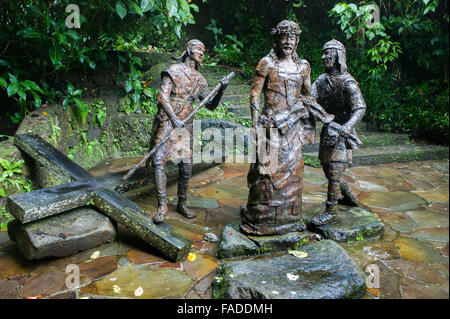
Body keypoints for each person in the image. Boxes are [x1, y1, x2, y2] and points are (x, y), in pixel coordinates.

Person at [240, 20, 334, 236]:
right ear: (276, 39)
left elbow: (307, 96)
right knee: (265, 172)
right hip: (270, 125)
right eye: (284, 38)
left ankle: (290, 219)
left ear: (297, 41)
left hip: (293, 128)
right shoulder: (267, 63)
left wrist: (313, 117)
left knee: (294, 172)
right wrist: (255, 122)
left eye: (292, 39)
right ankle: (259, 220)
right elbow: (255, 93)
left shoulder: (304, 67)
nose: (288, 42)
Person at [149, 39, 229, 223]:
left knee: (186, 166)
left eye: (204, 50)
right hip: (168, 120)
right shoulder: (173, 70)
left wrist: (221, 90)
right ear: (188, 50)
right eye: (198, 49)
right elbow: (162, 97)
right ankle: (162, 205)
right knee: (158, 159)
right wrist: (173, 118)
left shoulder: (200, 80)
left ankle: (182, 203)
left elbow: (210, 105)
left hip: (186, 125)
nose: (202, 53)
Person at [310, 39, 366, 226]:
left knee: (334, 172)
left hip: (343, 133)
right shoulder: (320, 81)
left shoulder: (348, 82)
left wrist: (348, 127)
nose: (324, 57)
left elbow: (360, 108)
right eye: (323, 53)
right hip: (329, 130)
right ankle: (350, 198)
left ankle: (331, 210)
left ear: (338, 57)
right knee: (328, 170)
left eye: (328, 53)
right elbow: (312, 100)